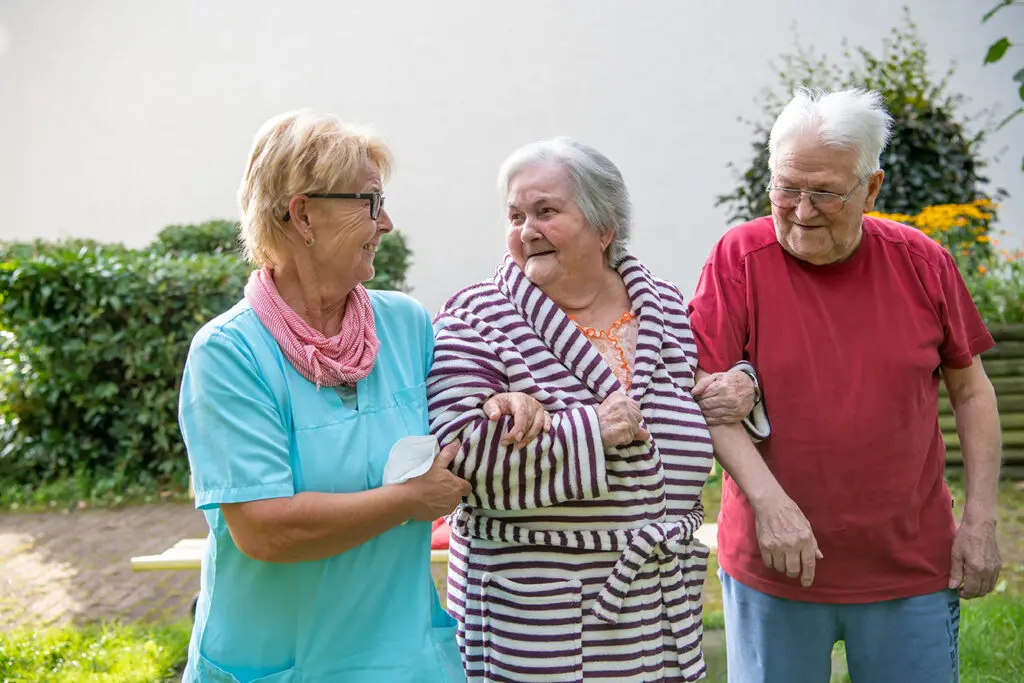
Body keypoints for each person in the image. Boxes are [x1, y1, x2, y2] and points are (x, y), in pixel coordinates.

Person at [176, 110, 546, 683]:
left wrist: (503, 401)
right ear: (302, 215)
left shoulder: (406, 325)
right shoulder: (229, 353)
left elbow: (464, 414)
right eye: (370, 202)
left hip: (404, 659)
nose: (388, 222)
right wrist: (406, 501)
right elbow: (265, 529)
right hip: (282, 662)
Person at [688, 88, 1003, 683]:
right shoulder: (739, 258)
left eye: (825, 193)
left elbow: (971, 390)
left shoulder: (922, 261)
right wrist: (771, 504)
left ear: (872, 188)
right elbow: (707, 395)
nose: (801, 211)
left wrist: (981, 519)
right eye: (786, 188)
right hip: (773, 561)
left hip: (907, 562)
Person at [426, 137, 760, 682]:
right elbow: (458, 460)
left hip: (656, 609)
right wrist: (590, 431)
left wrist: (745, 383)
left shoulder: (666, 309)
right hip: (535, 618)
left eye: (546, 212)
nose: (526, 230)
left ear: (605, 227)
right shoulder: (475, 318)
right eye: (515, 215)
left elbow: (707, 394)